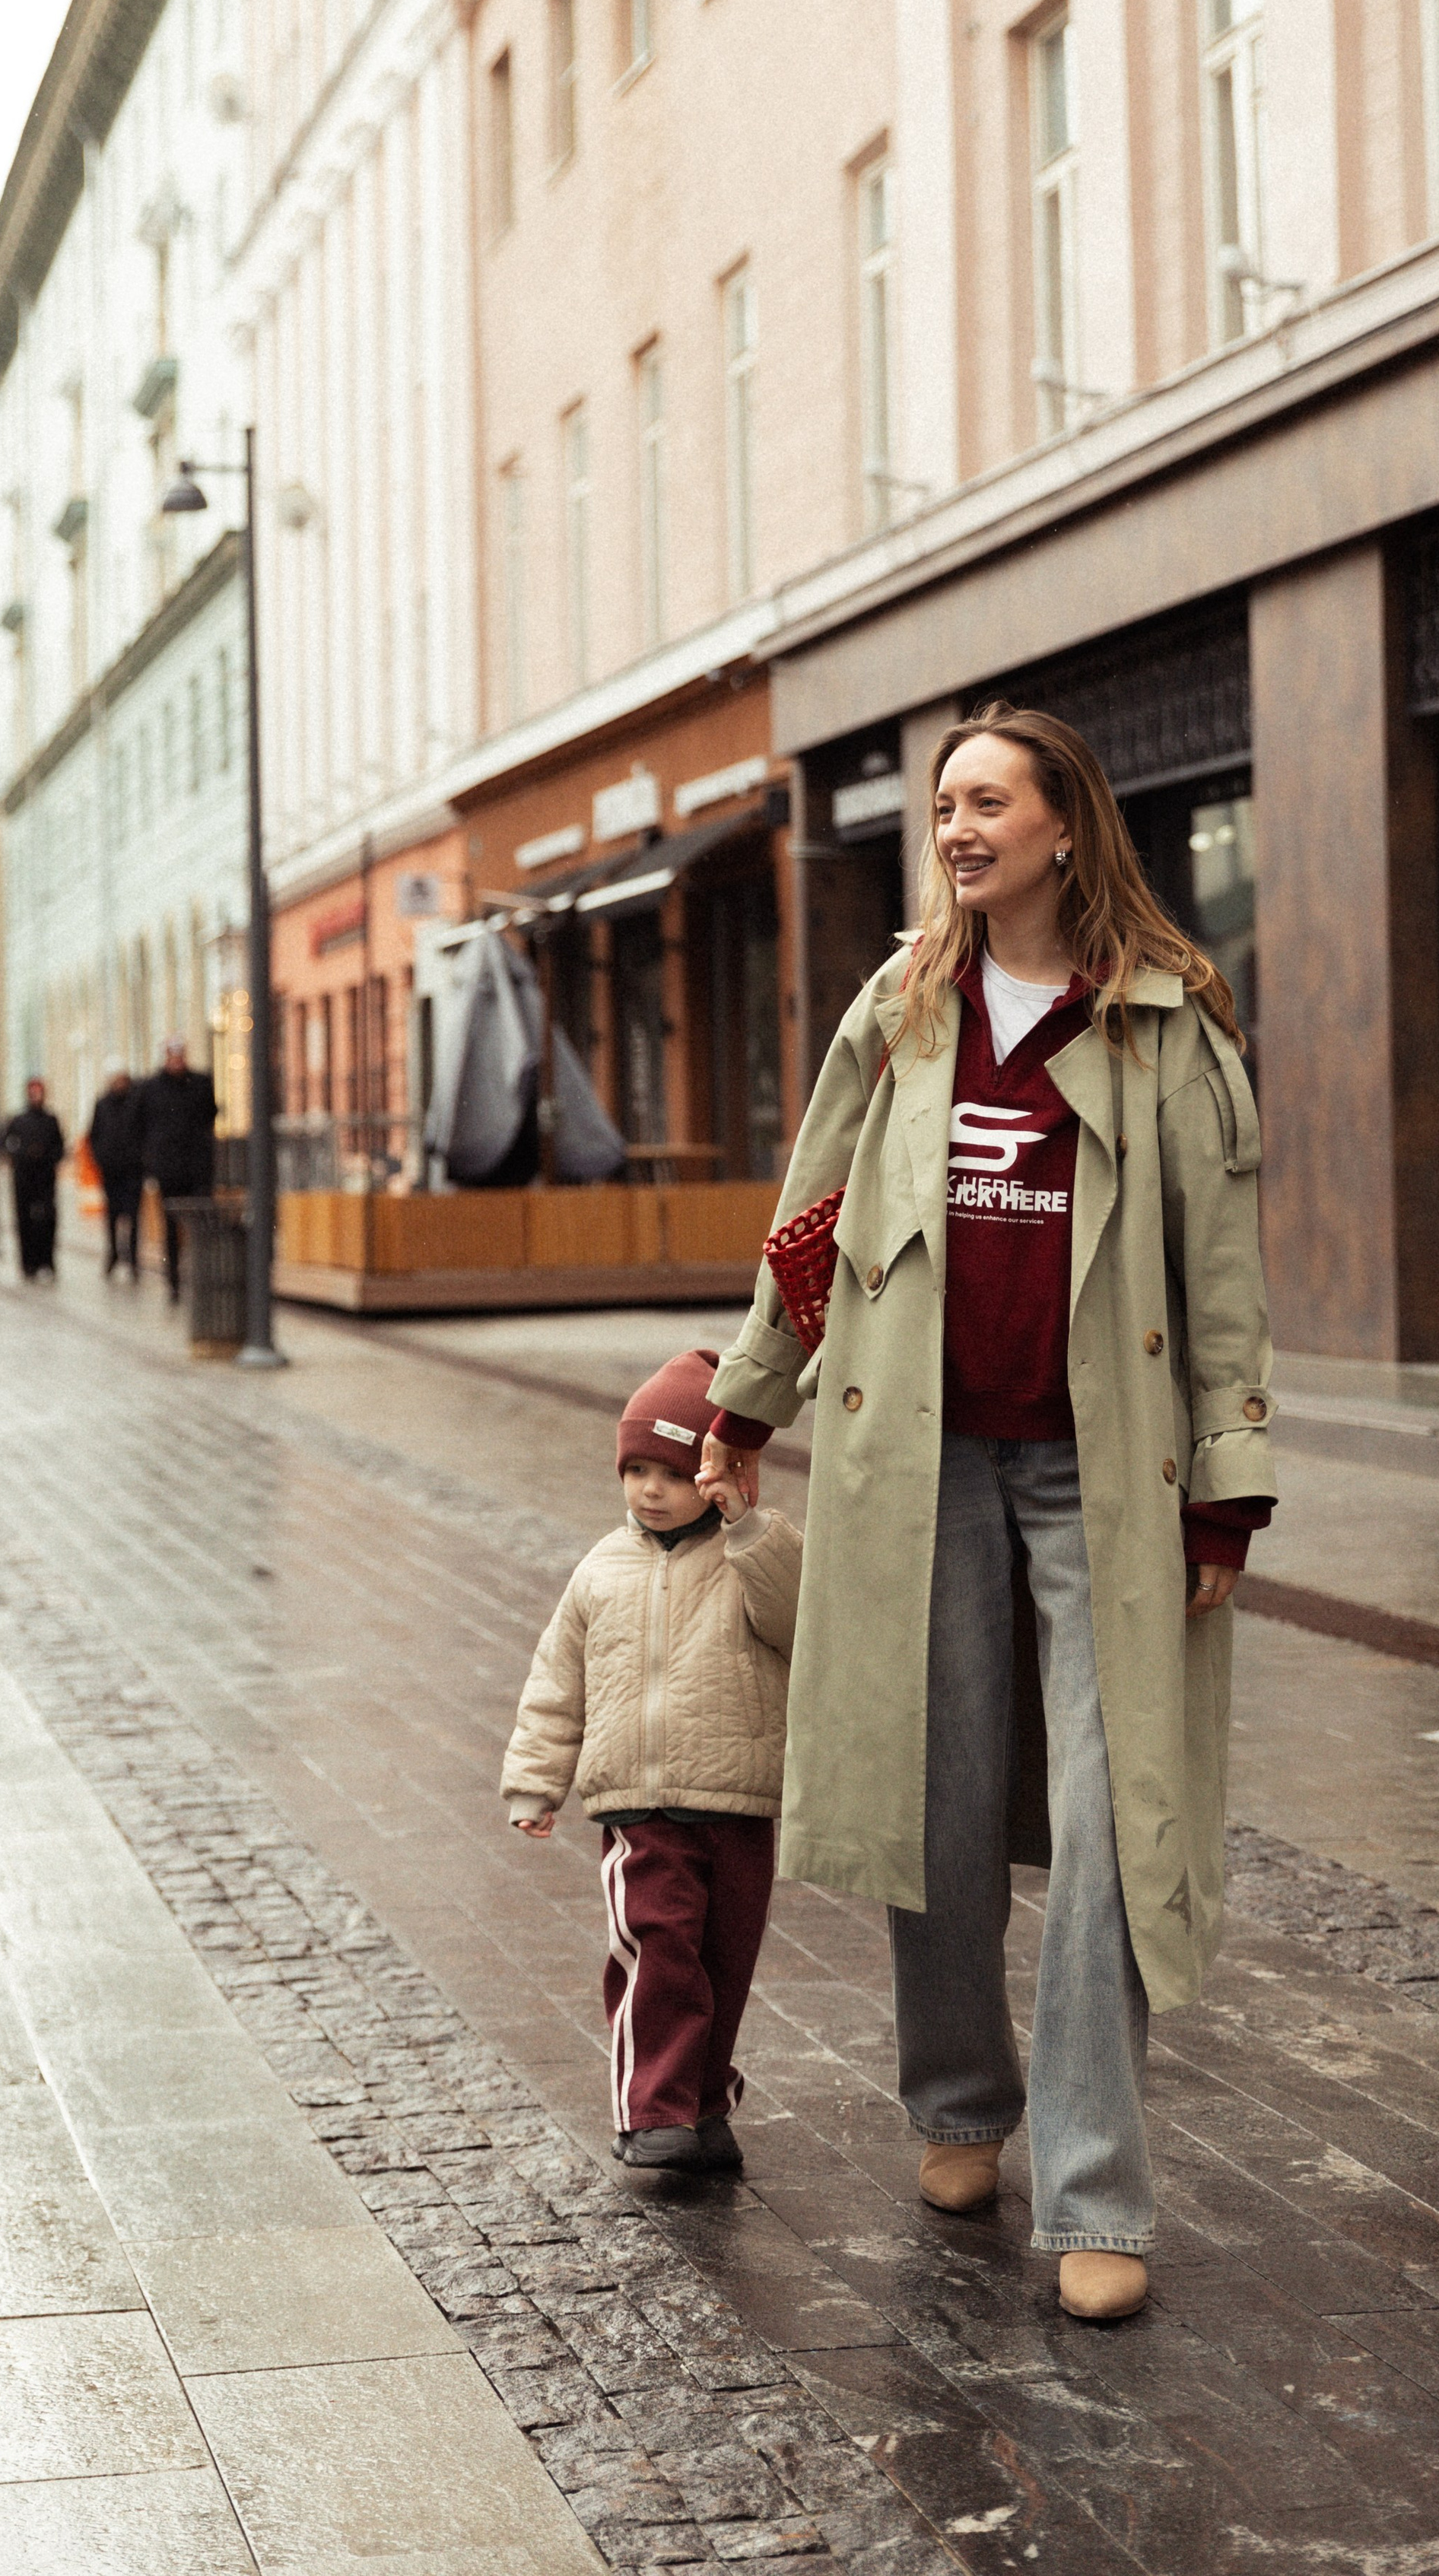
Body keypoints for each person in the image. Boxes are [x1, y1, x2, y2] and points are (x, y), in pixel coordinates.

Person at [701, 703, 1276, 2327]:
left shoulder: (1164, 1022)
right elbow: (813, 1216)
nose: (954, 828)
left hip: (1105, 1471)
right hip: (922, 1458)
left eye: (984, 803)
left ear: (1062, 828)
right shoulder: (899, 1010)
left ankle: (1094, 2186)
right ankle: (957, 2101)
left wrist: (1227, 1485)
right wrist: (746, 1400)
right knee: (934, 1791)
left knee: (1112, 1820)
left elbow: (1220, 1270)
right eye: (942, 805)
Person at [500, 1350, 803, 2172]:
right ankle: (653, 2111)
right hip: (640, 1806)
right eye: (636, 1470)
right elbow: (557, 1681)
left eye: (672, 1473)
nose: (650, 1490)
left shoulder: (755, 1551)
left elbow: (798, 1622)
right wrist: (535, 1781)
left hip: (738, 1802)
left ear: (715, 1473)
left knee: (722, 1965)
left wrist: (747, 1527)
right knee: (658, 1950)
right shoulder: (601, 1568)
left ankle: (701, 2105)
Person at [138, 1039, 218, 1304]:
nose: (176, 1060)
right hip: (168, 1169)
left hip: (197, 1168)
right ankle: (173, 1279)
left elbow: (210, 1115)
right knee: (171, 1227)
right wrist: (152, 1162)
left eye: (180, 1055)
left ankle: (203, 1276)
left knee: (201, 1223)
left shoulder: (200, 1083)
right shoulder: (152, 1088)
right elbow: (143, 1126)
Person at [0, 1078, 65, 1282]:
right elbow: (3, 1144)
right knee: (25, 1221)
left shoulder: (51, 1120)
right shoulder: (18, 1120)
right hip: (23, 1177)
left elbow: (59, 1147)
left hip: (45, 1178)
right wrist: (19, 1155)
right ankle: (28, 1263)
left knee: (47, 1220)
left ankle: (47, 1262)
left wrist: (47, 1157)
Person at [87, 1063, 146, 1278]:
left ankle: (133, 1258)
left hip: (132, 1169)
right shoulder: (103, 1104)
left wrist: (140, 1158)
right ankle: (113, 1253)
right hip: (111, 1169)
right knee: (113, 1215)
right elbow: (94, 1134)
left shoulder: (136, 1103)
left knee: (133, 1215)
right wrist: (101, 1158)